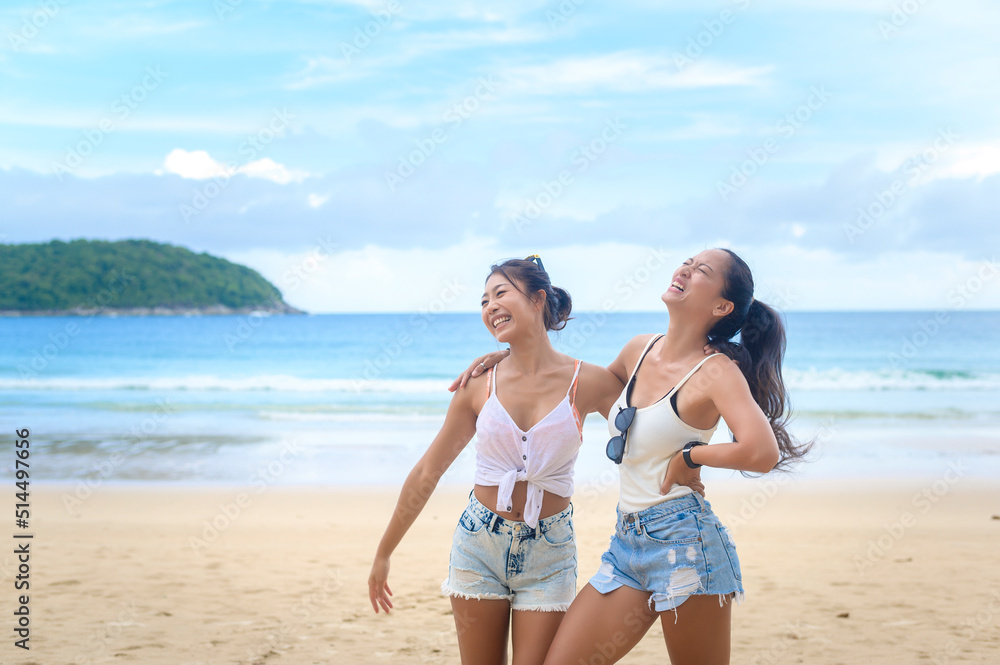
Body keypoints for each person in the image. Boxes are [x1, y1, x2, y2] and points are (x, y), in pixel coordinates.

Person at [451, 248, 810, 665]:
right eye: (687, 263)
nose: (685, 270)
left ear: (721, 306)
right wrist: (510, 360)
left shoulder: (716, 371)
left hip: (686, 546)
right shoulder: (639, 349)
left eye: (701, 271)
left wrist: (692, 457)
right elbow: (572, 385)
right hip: (626, 547)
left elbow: (761, 452)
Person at [368, 256, 624, 665]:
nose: (489, 306)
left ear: (538, 299)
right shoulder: (476, 386)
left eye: (500, 293)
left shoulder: (588, 381)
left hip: (549, 552)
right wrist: (384, 551)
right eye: (484, 300)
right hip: (477, 546)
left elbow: (647, 419)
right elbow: (427, 471)